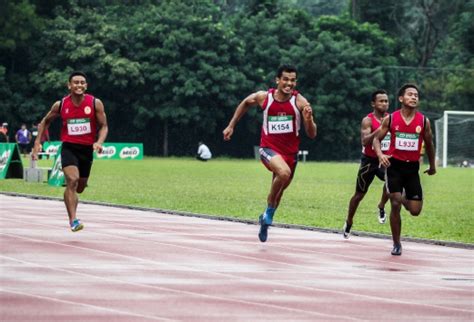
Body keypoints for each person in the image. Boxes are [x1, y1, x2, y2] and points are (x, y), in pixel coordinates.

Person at [223, 64, 317, 242]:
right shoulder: (264, 97)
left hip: (290, 154)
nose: (289, 83)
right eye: (285, 79)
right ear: (277, 80)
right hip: (268, 149)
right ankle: (268, 212)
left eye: (292, 80)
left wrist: (309, 119)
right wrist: (231, 125)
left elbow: (312, 134)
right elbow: (245, 103)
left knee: (279, 190)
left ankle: (265, 219)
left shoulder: (301, 102)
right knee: (283, 173)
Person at [32, 71, 108, 232]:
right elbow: (44, 122)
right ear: (69, 85)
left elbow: (104, 126)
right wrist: (37, 142)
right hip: (69, 148)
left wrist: (99, 142)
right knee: (72, 181)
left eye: (82, 82)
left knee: (80, 187)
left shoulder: (95, 103)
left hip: (87, 150)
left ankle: (71, 198)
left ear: (86, 86)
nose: (79, 85)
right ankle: (73, 220)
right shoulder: (61, 105)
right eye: (76, 82)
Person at [373, 83, 436, 256]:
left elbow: (429, 144)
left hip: (412, 169)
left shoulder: (423, 121)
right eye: (410, 94)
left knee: (415, 210)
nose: (414, 97)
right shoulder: (391, 119)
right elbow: (376, 140)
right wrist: (381, 155)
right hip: (394, 166)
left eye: (416, 95)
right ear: (401, 98)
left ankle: (402, 198)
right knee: (394, 202)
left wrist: (432, 166)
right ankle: (396, 244)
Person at [343, 90, 391, 239]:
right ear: (373, 103)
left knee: (391, 184)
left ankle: (381, 205)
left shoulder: (392, 119)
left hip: (385, 159)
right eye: (381, 101)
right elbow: (365, 141)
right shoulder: (368, 120)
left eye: (386, 101)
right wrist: (381, 128)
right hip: (369, 161)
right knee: (358, 195)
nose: (384, 104)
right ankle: (349, 221)